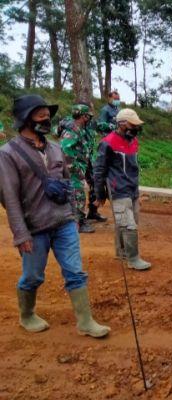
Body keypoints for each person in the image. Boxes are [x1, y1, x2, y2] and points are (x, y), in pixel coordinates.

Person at [0, 94, 110, 338]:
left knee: (75, 272)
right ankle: (27, 315)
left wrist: (73, 215)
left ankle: (85, 321)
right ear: (25, 118)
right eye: (40, 114)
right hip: (34, 227)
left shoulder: (56, 149)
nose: (46, 118)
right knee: (33, 276)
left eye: (47, 115)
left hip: (63, 222)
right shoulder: (8, 154)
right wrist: (20, 234)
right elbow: (9, 197)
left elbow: (68, 184)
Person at [93, 108, 151, 270]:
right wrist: (100, 194)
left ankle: (121, 251)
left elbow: (134, 168)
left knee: (129, 221)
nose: (136, 128)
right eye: (133, 125)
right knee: (128, 224)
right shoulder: (108, 142)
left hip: (132, 189)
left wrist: (137, 191)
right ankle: (133, 259)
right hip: (118, 189)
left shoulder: (133, 141)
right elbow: (99, 170)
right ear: (122, 124)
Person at [59, 103, 97, 234]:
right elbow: (65, 151)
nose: (89, 119)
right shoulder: (72, 131)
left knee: (76, 193)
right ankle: (79, 222)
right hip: (74, 170)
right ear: (83, 116)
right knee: (78, 194)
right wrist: (75, 168)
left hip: (80, 167)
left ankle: (76, 220)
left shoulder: (80, 129)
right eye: (88, 116)